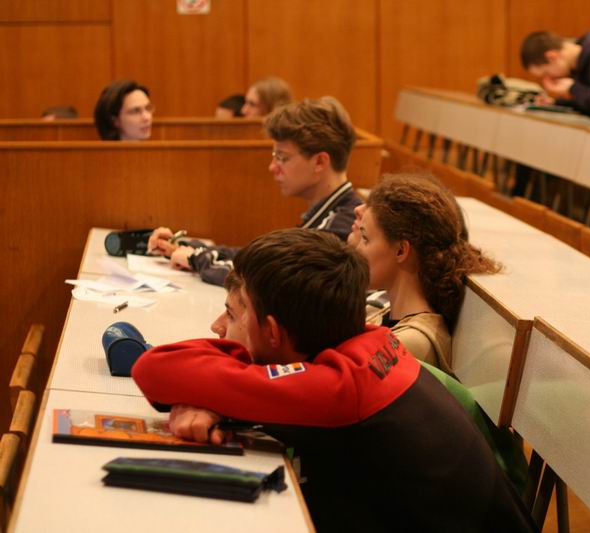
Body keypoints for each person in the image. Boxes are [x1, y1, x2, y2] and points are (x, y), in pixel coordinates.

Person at [132, 228, 534, 533]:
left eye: (235, 314)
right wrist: (226, 397)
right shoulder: (369, 341)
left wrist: (217, 393)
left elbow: (154, 368)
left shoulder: (340, 391)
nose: (217, 325)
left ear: (273, 332)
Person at [148, 96, 362, 286]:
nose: (272, 167)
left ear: (320, 162)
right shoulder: (326, 214)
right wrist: (185, 246)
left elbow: (268, 280)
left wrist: (196, 259)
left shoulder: (341, 227)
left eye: (282, 157)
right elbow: (259, 258)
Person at [348, 174, 500, 375]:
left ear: (401, 250)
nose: (358, 249)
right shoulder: (388, 315)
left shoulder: (411, 342)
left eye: (366, 239)